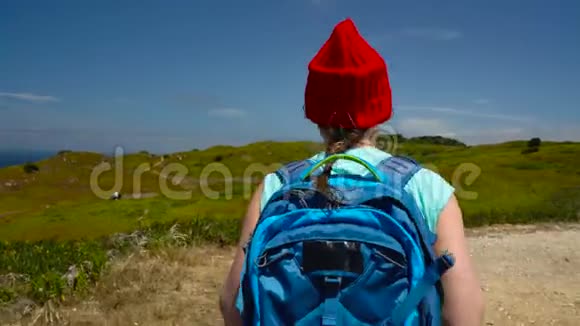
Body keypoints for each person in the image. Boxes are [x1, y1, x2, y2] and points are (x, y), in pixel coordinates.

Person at [220, 18, 484, 325]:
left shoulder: (275, 186)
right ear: (380, 109)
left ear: (313, 112)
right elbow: (465, 314)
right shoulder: (427, 187)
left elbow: (232, 304)